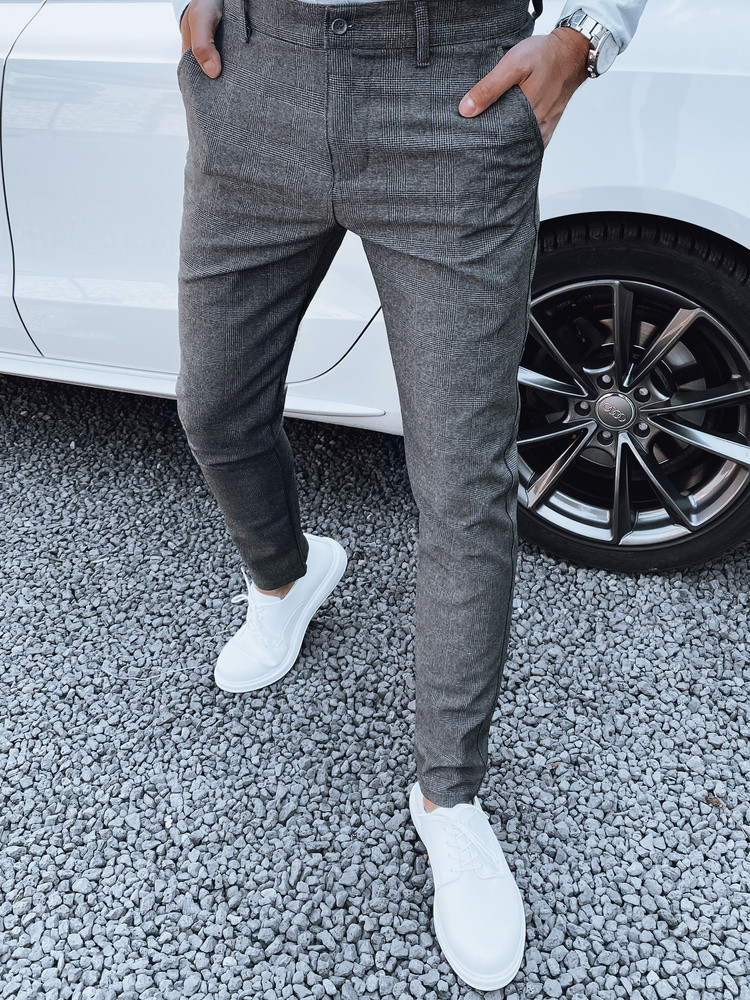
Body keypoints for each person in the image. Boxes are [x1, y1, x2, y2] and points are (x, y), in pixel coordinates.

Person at [173, 0, 646, 988]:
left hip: (451, 90)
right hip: (257, 76)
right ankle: (286, 577)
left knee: (463, 483)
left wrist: (587, 34)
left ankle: (450, 796)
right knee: (214, 403)